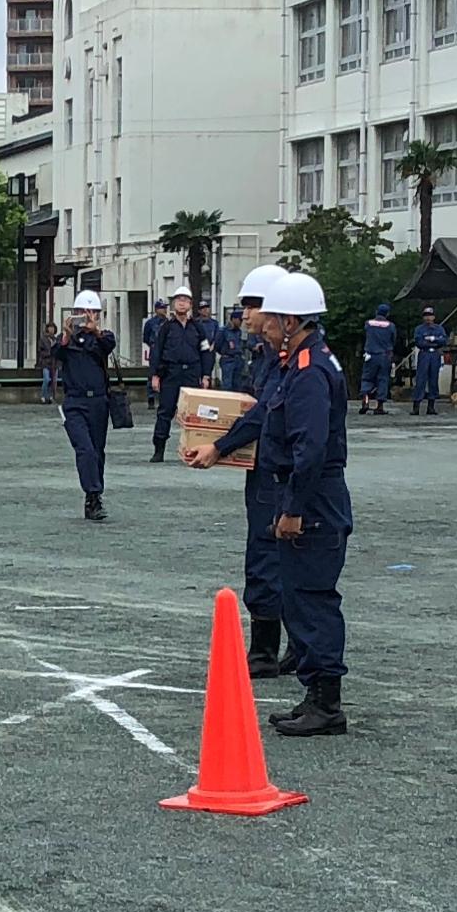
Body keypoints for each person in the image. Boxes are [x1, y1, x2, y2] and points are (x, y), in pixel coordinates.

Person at [184, 265, 295, 678]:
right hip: (268, 468)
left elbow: (263, 414)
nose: (244, 315)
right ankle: (292, 646)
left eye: (251, 306)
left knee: (268, 555)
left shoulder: (286, 361)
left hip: (278, 471)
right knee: (276, 556)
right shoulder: (267, 356)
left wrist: (219, 446)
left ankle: (266, 652)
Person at [258, 270, 352, 738]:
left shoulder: (310, 370)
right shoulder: (303, 363)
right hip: (309, 494)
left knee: (313, 599)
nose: (264, 324)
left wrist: (293, 507)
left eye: (271, 317)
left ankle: (327, 702)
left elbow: (309, 448)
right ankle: (315, 694)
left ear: (291, 320)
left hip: (313, 499)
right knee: (299, 596)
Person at [54, 290, 116, 522]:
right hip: (75, 401)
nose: (86, 316)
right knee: (85, 449)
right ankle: (91, 492)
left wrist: (95, 331)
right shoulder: (67, 340)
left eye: (91, 312)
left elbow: (109, 345)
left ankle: (94, 498)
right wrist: (66, 335)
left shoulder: (102, 338)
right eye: (81, 312)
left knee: (97, 451)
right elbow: (56, 354)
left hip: (98, 400)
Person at [148, 286, 212, 462]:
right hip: (170, 373)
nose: (181, 303)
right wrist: (154, 375)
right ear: (173, 304)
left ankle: (192, 450)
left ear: (191, 304)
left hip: (192, 373)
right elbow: (157, 352)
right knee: (165, 411)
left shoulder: (198, 328)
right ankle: (158, 449)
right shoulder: (166, 328)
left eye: (185, 300)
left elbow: (206, 352)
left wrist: (206, 376)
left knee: (193, 415)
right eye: (178, 300)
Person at [359, 302, 397, 416]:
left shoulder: (368, 323)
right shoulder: (391, 326)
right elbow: (393, 340)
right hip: (384, 356)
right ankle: (379, 407)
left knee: (367, 378)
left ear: (376, 312)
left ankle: (365, 402)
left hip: (370, 355)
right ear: (387, 314)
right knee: (382, 379)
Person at [411, 307, 448, 415]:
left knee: (433, 379)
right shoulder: (419, 329)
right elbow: (419, 342)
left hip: (435, 354)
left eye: (430, 315)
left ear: (434, 317)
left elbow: (443, 340)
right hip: (424, 353)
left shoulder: (439, 328)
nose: (428, 318)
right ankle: (416, 406)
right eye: (426, 315)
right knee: (421, 379)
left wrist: (433, 340)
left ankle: (431, 406)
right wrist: (434, 341)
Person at [216, 308, 247, 392]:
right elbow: (217, 345)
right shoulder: (223, 331)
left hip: (238, 359)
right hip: (228, 359)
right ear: (234, 319)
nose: (241, 322)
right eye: (240, 320)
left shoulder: (239, 332)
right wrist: (225, 352)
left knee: (238, 385)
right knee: (227, 385)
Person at [37, 320, 59, 403]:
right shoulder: (43, 340)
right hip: (46, 363)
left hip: (54, 363)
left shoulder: (56, 340)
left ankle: (51, 396)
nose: (51, 330)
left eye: (53, 328)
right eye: (50, 328)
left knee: (54, 381)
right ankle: (43, 396)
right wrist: (50, 352)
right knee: (46, 379)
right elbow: (41, 351)